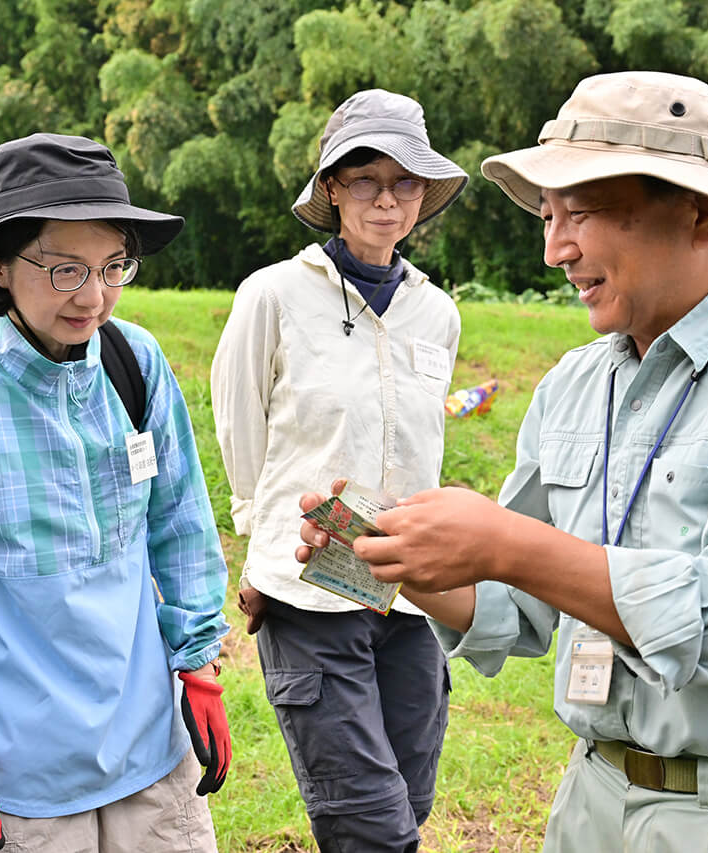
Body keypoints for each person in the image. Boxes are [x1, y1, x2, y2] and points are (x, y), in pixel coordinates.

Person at [298, 71, 708, 851]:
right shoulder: (575, 384)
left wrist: (507, 544)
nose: (555, 249)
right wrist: (416, 568)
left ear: (701, 214)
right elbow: (519, 609)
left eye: (580, 213)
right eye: (548, 215)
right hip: (590, 798)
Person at [0, 133, 231, 853]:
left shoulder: (135, 361)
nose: (93, 297)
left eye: (112, 266)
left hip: (152, 754)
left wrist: (197, 658)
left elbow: (180, 518)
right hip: (19, 775)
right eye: (65, 270)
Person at [211, 89, 468, 852]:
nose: (386, 201)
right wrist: (258, 544)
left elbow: (425, 446)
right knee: (367, 821)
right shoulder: (274, 295)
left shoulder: (437, 311)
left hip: (407, 590)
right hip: (308, 584)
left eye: (404, 182)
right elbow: (239, 425)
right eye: (365, 180)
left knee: (408, 795)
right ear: (330, 187)